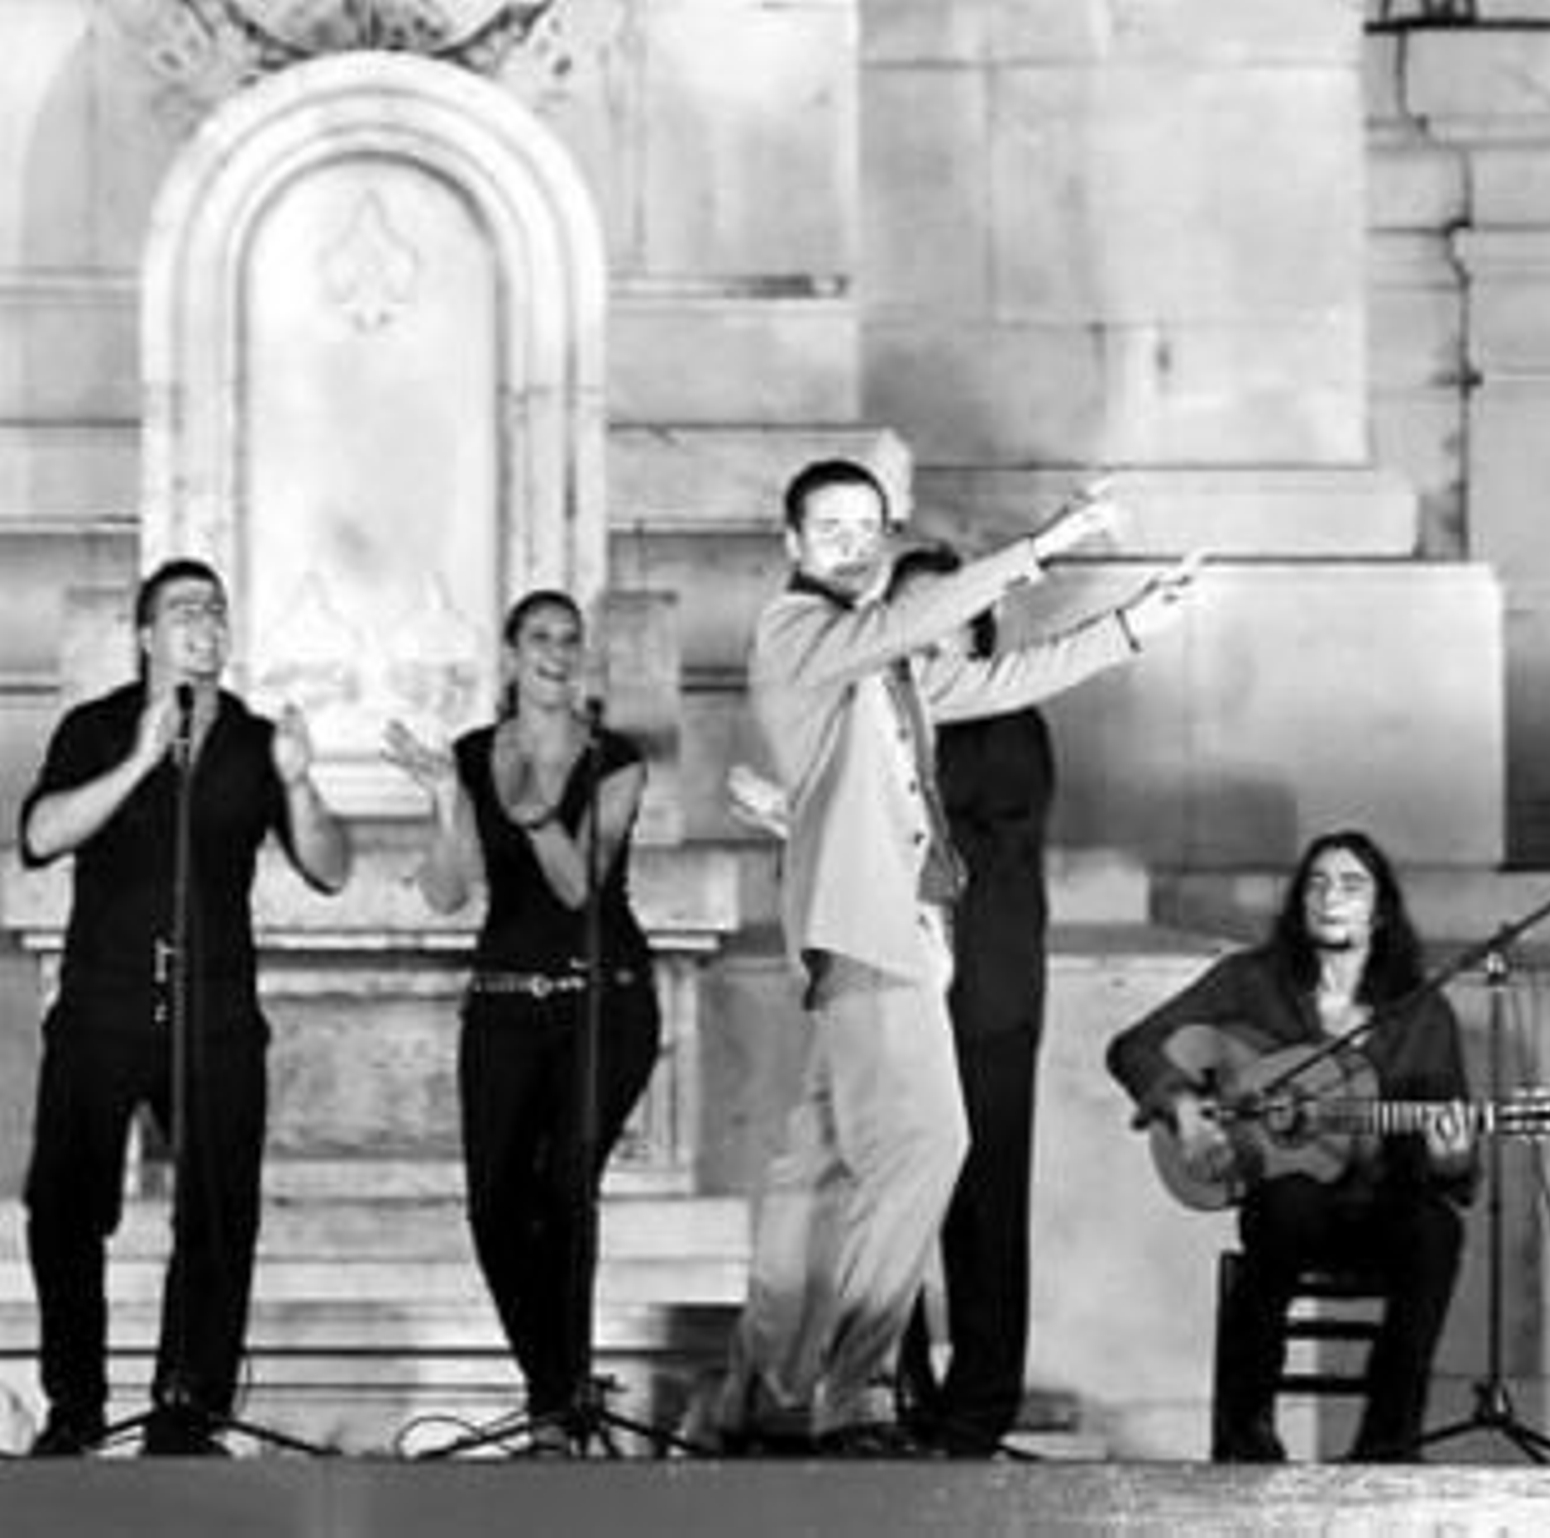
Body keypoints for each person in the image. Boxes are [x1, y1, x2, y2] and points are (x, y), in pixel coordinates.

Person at [718, 456, 1201, 1454]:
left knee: (816, 1168)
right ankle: (852, 1391)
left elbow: (994, 679)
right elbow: (902, 626)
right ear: (792, 542)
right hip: (870, 935)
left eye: (868, 526)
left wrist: (1125, 628)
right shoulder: (799, 629)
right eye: (832, 527)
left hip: (879, 936)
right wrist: (1042, 547)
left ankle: (762, 1388)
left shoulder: (885, 660)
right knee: (929, 1144)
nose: (853, 542)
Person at [18, 557, 352, 1457]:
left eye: (216, 610)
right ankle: (75, 1405)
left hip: (215, 1012)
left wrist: (299, 782)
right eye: (183, 610)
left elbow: (330, 868)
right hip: (103, 1001)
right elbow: (40, 836)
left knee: (217, 1212)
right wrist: (138, 758)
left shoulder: (253, 739)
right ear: (145, 636)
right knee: (64, 1208)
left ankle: (186, 1409)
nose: (204, 623)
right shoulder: (96, 727)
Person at [384, 589, 661, 1449]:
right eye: (539, 637)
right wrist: (445, 799)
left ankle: (556, 1413)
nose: (556, 651)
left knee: (564, 1196)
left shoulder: (617, 761)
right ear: (509, 654)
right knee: (496, 1206)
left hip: (601, 1002)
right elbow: (444, 892)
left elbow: (582, 889)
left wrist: (535, 813)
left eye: (570, 639)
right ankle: (562, 1388)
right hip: (504, 1006)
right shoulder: (471, 754)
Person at [1106, 829, 1476, 1463]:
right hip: (1284, 1204)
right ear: (1301, 900)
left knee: (1436, 1230)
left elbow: (1455, 1176)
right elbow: (1133, 1046)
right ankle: (1248, 1433)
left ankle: (1386, 1446)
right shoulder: (1250, 981)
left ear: (1380, 911)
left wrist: (1452, 1155)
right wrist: (1187, 1112)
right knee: (1291, 1200)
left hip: (1379, 1211)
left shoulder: (1421, 1013)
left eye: (1352, 886)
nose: (1332, 898)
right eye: (1318, 883)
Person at [885, 547, 1056, 1458]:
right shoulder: (874, 718)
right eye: (908, 608)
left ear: (973, 620)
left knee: (986, 1202)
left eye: (943, 607)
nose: (926, 623)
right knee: (894, 1198)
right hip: (894, 989)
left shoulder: (1007, 718)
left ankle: (979, 1403)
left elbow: (969, 848)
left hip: (984, 992)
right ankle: (897, 1391)